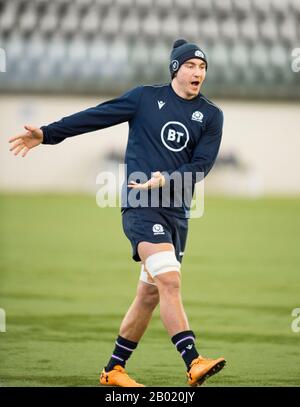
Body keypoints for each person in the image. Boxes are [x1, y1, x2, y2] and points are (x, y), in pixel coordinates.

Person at [9, 39, 226, 387]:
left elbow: (201, 167)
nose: (197, 72)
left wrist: (167, 179)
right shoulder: (144, 98)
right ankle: (193, 360)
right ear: (175, 69)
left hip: (178, 214)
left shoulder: (212, 115)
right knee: (169, 280)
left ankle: (113, 370)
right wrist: (48, 134)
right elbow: (96, 116)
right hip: (140, 206)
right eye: (190, 66)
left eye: (202, 67)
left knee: (150, 294)